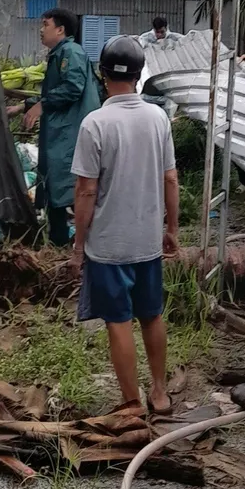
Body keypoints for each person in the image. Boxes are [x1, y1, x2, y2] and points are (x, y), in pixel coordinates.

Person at [72, 35, 178, 416]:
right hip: (147, 240)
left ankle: (131, 402)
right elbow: (170, 179)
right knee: (151, 314)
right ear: (138, 74)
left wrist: (79, 242)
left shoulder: (95, 123)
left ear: (102, 75)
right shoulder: (158, 117)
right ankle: (161, 393)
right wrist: (172, 230)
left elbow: (85, 190)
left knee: (118, 321)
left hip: (107, 245)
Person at [28, 9, 101, 246]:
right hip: (60, 131)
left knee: (67, 186)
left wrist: (42, 105)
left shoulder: (71, 52)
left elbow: (72, 87)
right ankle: (59, 241)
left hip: (70, 132)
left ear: (60, 29)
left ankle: (85, 242)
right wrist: (24, 107)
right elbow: (53, 91)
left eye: (45, 24)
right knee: (55, 185)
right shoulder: (60, 54)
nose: (41, 29)